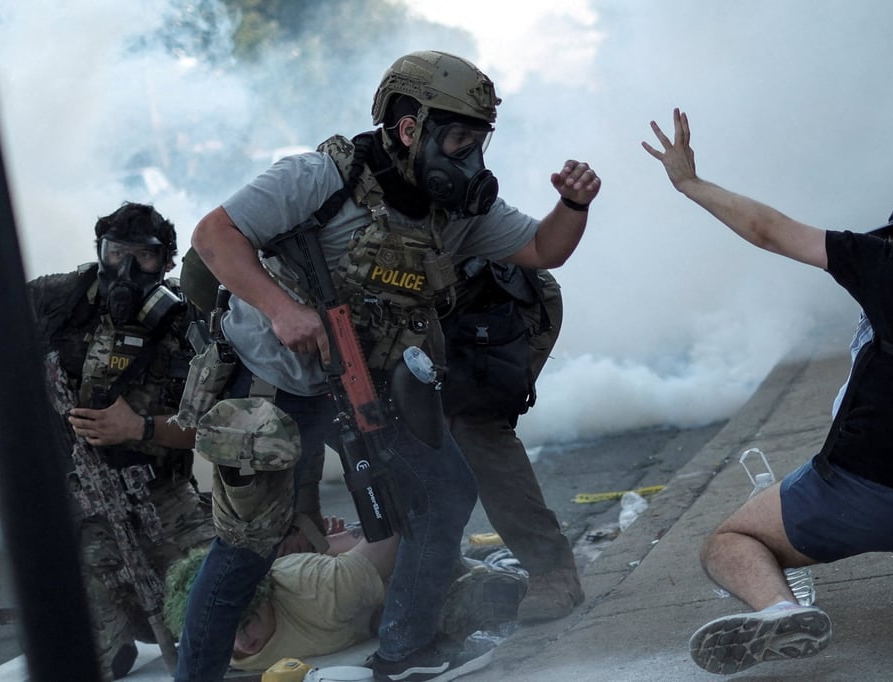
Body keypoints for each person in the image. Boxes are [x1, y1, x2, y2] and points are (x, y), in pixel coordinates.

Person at [176, 50, 600, 682]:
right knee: (249, 544)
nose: (468, 157)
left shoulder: (457, 208)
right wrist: (283, 309)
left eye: (476, 141)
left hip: (365, 381)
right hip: (269, 385)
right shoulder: (319, 178)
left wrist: (574, 204)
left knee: (445, 492)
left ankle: (404, 651)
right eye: (457, 139)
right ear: (410, 129)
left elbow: (542, 248)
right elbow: (214, 236)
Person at [642, 109, 893, 675]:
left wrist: (691, 183)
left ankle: (779, 613)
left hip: (872, 487)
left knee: (729, 542)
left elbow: (771, 230)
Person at [25, 202, 214, 680]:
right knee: (94, 662)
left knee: (226, 625)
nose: (125, 269)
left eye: (144, 258)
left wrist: (141, 428)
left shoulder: (188, 324)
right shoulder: (58, 299)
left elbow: (217, 426)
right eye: (115, 253)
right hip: (87, 511)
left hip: (165, 501)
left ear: (166, 262)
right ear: (99, 253)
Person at [162, 517, 526, 673]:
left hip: (398, 578)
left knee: (494, 597)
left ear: (267, 600)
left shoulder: (321, 589)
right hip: (338, 580)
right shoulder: (210, 640)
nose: (243, 642)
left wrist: (343, 542)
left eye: (250, 622)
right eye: (231, 633)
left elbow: (400, 527)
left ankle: (489, 557)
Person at [441, 260, 584, 621]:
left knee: (474, 427)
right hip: (395, 327)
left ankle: (551, 569)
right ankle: (429, 572)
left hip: (496, 306)